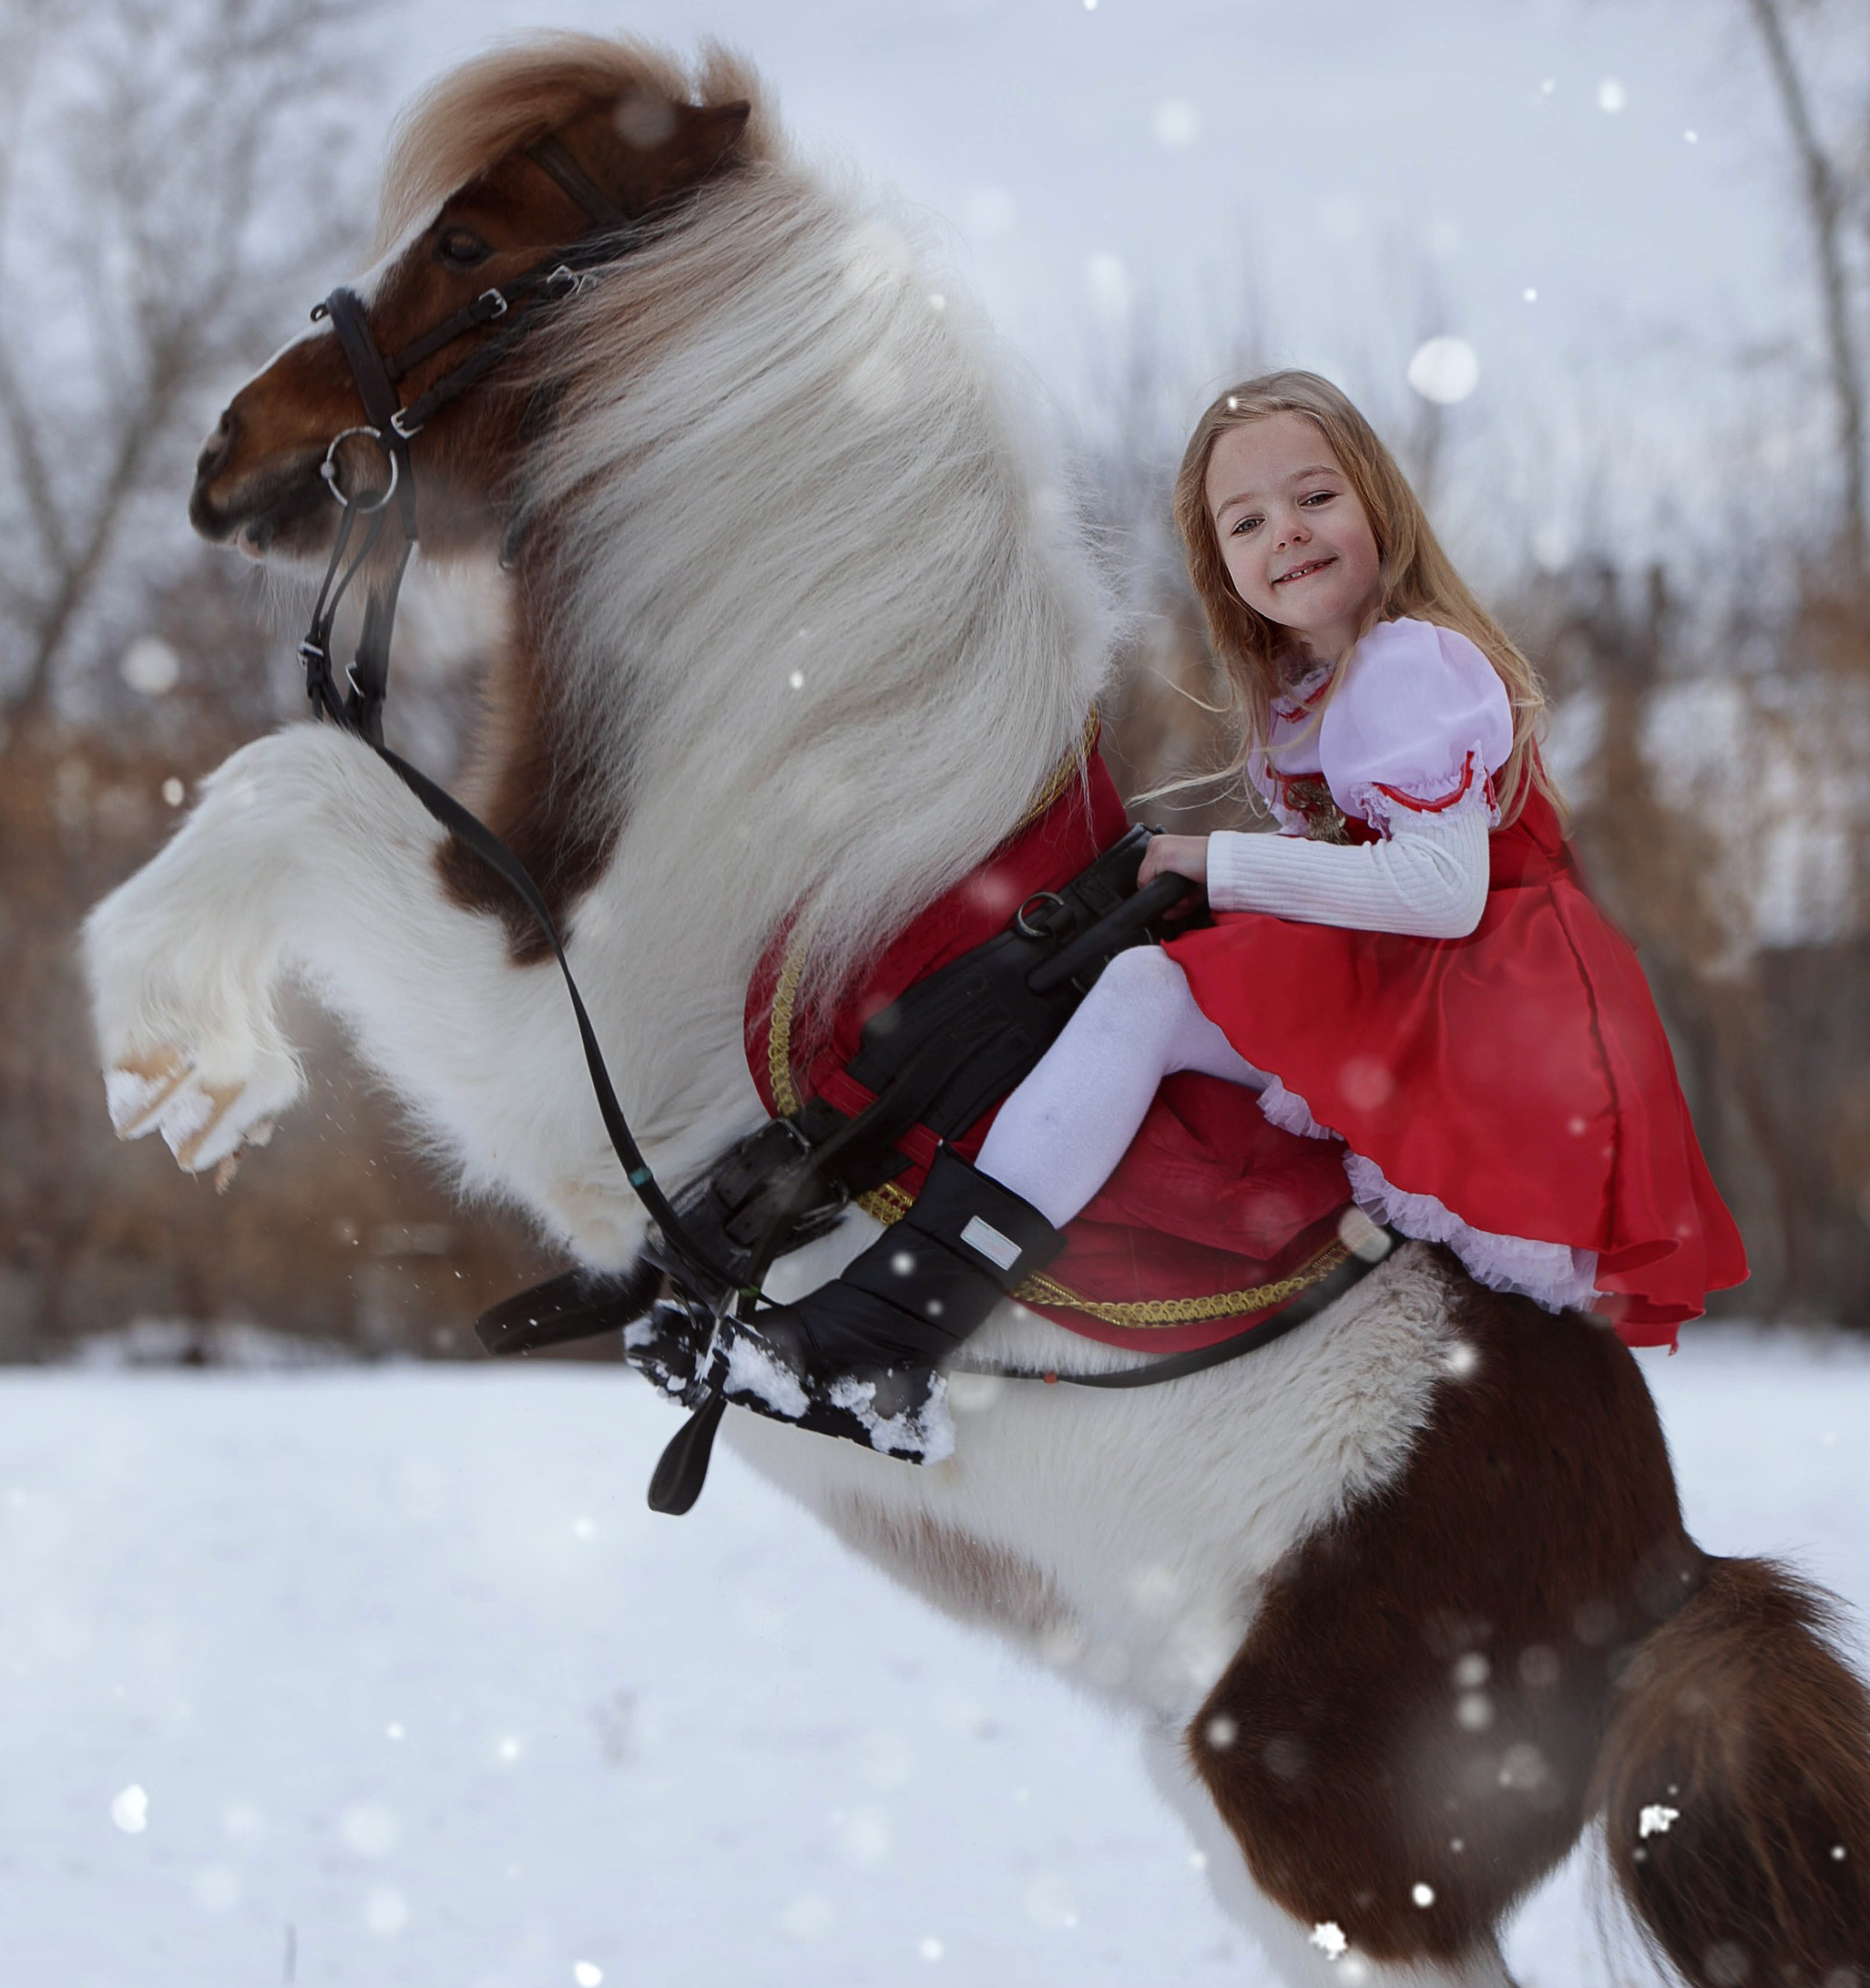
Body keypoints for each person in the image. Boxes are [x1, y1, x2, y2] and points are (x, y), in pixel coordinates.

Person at [659, 366, 1746, 1457]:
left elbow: (1440, 888)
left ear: (1377, 503)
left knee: (1148, 984)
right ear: (1221, 564)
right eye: (1248, 520)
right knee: (1135, 972)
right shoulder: (1314, 692)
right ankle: (883, 1301)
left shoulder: (1408, 665)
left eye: (1316, 497)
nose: (1288, 532)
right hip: (1436, 973)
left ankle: (892, 1323)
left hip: (1489, 995)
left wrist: (1222, 864)